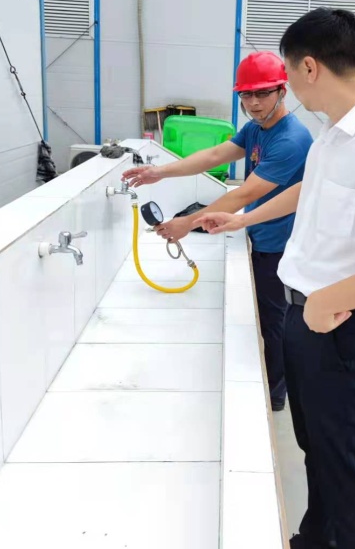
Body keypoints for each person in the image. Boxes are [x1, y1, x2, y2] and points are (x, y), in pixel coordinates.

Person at [193, 9, 355, 549]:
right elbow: (309, 191)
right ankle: (314, 539)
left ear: (309, 67)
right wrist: (241, 219)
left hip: (343, 330)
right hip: (307, 316)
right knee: (317, 450)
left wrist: (326, 301)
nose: (286, 86)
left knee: (347, 469)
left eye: (286, 71)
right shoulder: (334, 133)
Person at [123, 52, 313, 412]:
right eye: (246, 95)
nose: (253, 103)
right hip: (261, 234)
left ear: (282, 91)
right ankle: (274, 383)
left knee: (274, 322)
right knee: (266, 318)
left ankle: (276, 394)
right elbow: (213, 156)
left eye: (263, 93)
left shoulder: (291, 139)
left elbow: (244, 194)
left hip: (283, 245)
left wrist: (188, 223)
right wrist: (158, 172)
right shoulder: (256, 129)